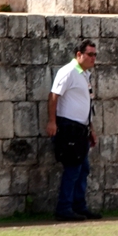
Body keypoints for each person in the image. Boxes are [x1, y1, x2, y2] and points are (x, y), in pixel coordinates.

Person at [45, 39, 101, 222]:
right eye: (90, 54)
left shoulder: (85, 75)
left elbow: (87, 103)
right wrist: (52, 121)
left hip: (81, 129)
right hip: (69, 127)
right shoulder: (68, 72)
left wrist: (90, 128)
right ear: (79, 55)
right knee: (73, 169)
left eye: (95, 54)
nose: (93, 58)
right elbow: (54, 95)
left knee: (83, 169)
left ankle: (78, 206)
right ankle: (65, 207)